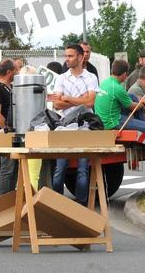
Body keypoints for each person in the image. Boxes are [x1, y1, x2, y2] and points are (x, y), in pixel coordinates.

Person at [94, 60, 145, 176]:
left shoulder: (106, 82)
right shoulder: (117, 88)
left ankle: (142, 124)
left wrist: (139, 101)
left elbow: (128, 101)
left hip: (102, 119)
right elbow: (132, 106)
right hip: (113, 121)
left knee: (132, 96)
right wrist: (143, 104)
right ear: (124, 74)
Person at [50, 44, 99, 204]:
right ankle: (58, 204)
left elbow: (90, 102)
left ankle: (81, 205)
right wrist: (80, 99)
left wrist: (69, 98)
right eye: (66, 56)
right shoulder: (61, 78)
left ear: (80, 57)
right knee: (59, 169)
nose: (67, 59)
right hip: (64, 126)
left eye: (70, 56)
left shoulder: (91, 77)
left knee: (82, 170)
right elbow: (56, 105)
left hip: (85, 126)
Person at [0, 59, 33, 196]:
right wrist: (8, 130)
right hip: (8, 133)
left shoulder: (11, 87)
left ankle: (11, 198)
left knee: (14, 168)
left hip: (16, 132)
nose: (18, 72)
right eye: (16, 70)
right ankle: (3, 199)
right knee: (7, 168)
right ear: (9, 72)